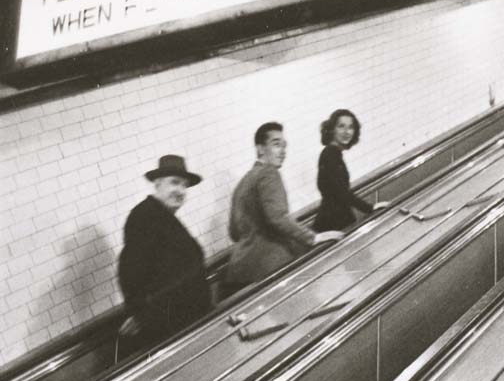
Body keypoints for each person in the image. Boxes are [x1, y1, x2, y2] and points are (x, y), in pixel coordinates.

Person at [224, 122, 342, 296]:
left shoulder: (243, 183)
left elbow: (234, 232)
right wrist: (312, 238)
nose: (283, 151)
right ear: (260, 149)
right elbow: (277, 217)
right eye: (276, 144)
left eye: (284, 146)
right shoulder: (269, 173)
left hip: (239, 272)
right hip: (269, 268)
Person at [118, 155, 211, 351]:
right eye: (174, 183)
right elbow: (130, 270)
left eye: (184, 185)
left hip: (181, 324)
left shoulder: (161, 216)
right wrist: (142, 313)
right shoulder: (145, 216)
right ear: (157, 184)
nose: (180, 191)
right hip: (169, 330)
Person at [314, 109, 389, 233]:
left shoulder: (333, 153)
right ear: (332, 129)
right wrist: (369, 207)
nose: (346, 132)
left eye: (350, 127)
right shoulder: (330, 154)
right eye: (341, 126)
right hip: (333, 223)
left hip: (336, 219)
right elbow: (341, 192)